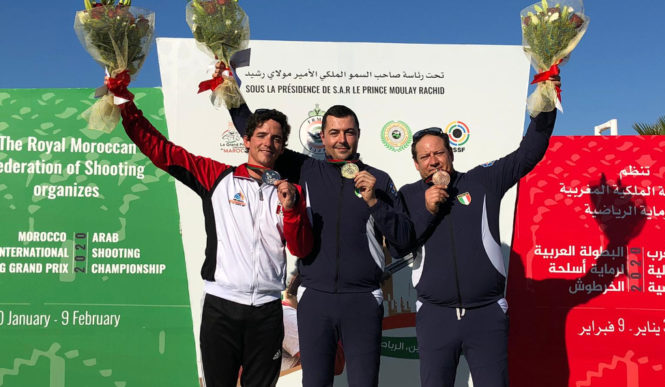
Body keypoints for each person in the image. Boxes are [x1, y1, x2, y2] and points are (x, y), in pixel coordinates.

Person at [106, 77, 314, 387]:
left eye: (276, 138)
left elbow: (301, 248)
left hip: (268, 314)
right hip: (223, 308)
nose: (268, 143)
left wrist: (293, 209)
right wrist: (126, 104)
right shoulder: (217, 178)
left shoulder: (291, 192)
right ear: (246, 140)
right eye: (261, 135)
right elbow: (161, 151)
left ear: (283, 146)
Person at [223, 64, 414, 387]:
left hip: (362, 299)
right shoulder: (306, 170)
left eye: (349, 132)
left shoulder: (379, 180)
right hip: (315, 300)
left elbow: (402, 242)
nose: (342, 140)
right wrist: (228, 86)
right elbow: (256, 131)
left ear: (358, 135)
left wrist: (374, 202)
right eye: (335, 133)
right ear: (322, 137)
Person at [396, 77, 561, 387]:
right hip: (436, 315)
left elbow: (530, 152)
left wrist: (547, 97)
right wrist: (426, 209)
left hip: (485, 314)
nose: (434, 161)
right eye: (425, 157)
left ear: (451, 153)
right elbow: (398, 246)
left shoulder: (483, 181)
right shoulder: (407, 195)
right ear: (416, 164)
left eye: (439, 153)